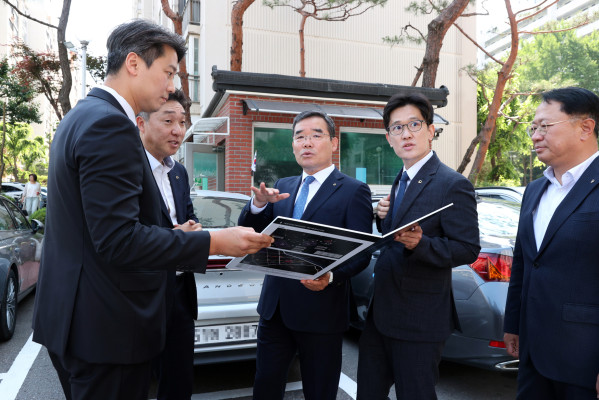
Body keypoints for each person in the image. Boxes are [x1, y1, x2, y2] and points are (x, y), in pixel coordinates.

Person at [31, 19, 272, 400]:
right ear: (133, 64)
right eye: (169, 72)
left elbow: (94, 230)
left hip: (77, 320)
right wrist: (215, 241)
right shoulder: (111, 126)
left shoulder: (81, 116)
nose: (173, 85)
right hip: (106, 329)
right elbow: (118, 240)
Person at [238, 110, 372, 400]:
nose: (307, 142)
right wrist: (258, 206)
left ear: (333, 143)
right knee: (265, 385)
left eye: (316, 135)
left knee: (319, 391)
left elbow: (361, 253)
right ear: (293, 145)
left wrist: (331, 276)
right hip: (275, 309)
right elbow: (251, 232)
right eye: (300, 137)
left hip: (321, 312)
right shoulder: (283, 186)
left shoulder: (353, 191)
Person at [356, 93, 480, 400]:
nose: (406, 134)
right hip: (381, 314)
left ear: (431, 130)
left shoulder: (452, 183)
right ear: (389, 139)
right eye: (397, 128)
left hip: (420, 319)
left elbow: (467, 248)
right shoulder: (400, 178)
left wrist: (422, 244)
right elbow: (396, 235)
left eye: (414, 124)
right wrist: (382, 218)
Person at [503, 87, 599, 399]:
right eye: (533, 128)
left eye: (545, 126)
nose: (535, 136)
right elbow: (524, 262)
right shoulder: (534, 190)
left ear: (585, 127)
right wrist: (514, 324)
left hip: (584, 360)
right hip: (533, 353)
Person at [137, 88, 197, 400]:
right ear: (142, 123)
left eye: (183, 122)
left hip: (180, 292)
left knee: (179, 381)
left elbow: (188, 215)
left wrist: (194, 229)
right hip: (140, 296)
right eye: (168, 120)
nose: (178, 130)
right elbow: (123, 234)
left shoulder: (179, 173)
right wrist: (178, 235)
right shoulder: (127, 168)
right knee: (134, 381)